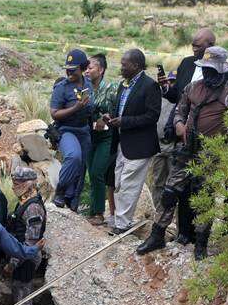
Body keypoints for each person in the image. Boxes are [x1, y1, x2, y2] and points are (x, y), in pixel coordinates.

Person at [138, 47, 228, 258]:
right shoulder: (192, 88)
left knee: (204, 198)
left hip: (211, 154)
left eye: (212, 71)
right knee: (169, 193)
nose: (208, 74)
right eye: (206, 70)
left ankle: (201, 243)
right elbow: (179, 111)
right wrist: (178, 124)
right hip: (186, 150)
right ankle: (157, 235)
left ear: (221, 70)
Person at [106, 49, 161, 235]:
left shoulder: (150, 86)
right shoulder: (124, 86)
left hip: (140, 146)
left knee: (129, 184)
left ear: (136, 65)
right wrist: (112, 118)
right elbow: (122, 112)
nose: (121, 68)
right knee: (119, 183)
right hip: (122, 143)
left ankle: (121, 225)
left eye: (124, 64)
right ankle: (121, 221)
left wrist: (124, 121)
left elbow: (152, 116)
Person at [2, 166, 47, 305]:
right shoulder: (23, 202)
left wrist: (12, 264)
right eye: (13, 182)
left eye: (18, 182)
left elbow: (31, 241)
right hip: (18, 256)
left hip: (25, 260)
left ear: (29, 184)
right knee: (17, 295)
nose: (14, 185)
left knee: (23, 299)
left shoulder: (33, 207)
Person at [50, 49, 96, 210]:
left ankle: (72, 203)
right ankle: (60, 190)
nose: (69, 72)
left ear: (83, 68)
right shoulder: (61, 88)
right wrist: (76, 107)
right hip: (66, 129)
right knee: (73, 156)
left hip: (84, 131)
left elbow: (91, 107)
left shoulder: (88, 84)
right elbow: (55, 113)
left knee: (81, 169)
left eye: (73, 69)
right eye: (67, 69)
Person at [83, 53, 119, 224]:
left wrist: (105, 117)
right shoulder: (84, 88)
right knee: (91, 173)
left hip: (106, 136)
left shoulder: (111, 88)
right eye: (86, 68)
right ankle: (91, 210)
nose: (87, 71)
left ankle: (98, 213)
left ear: (101, 69)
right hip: (88, 136)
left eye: (90, 68)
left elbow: (116, 110)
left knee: (98, 172)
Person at [162, 28, 216, 103]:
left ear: (211, 45)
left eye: (198, 46)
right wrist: (166, 87)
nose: (194, 49)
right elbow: (175, 97)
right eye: (193, 46)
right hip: (179, 113)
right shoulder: (186, 63)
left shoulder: (224, 70)